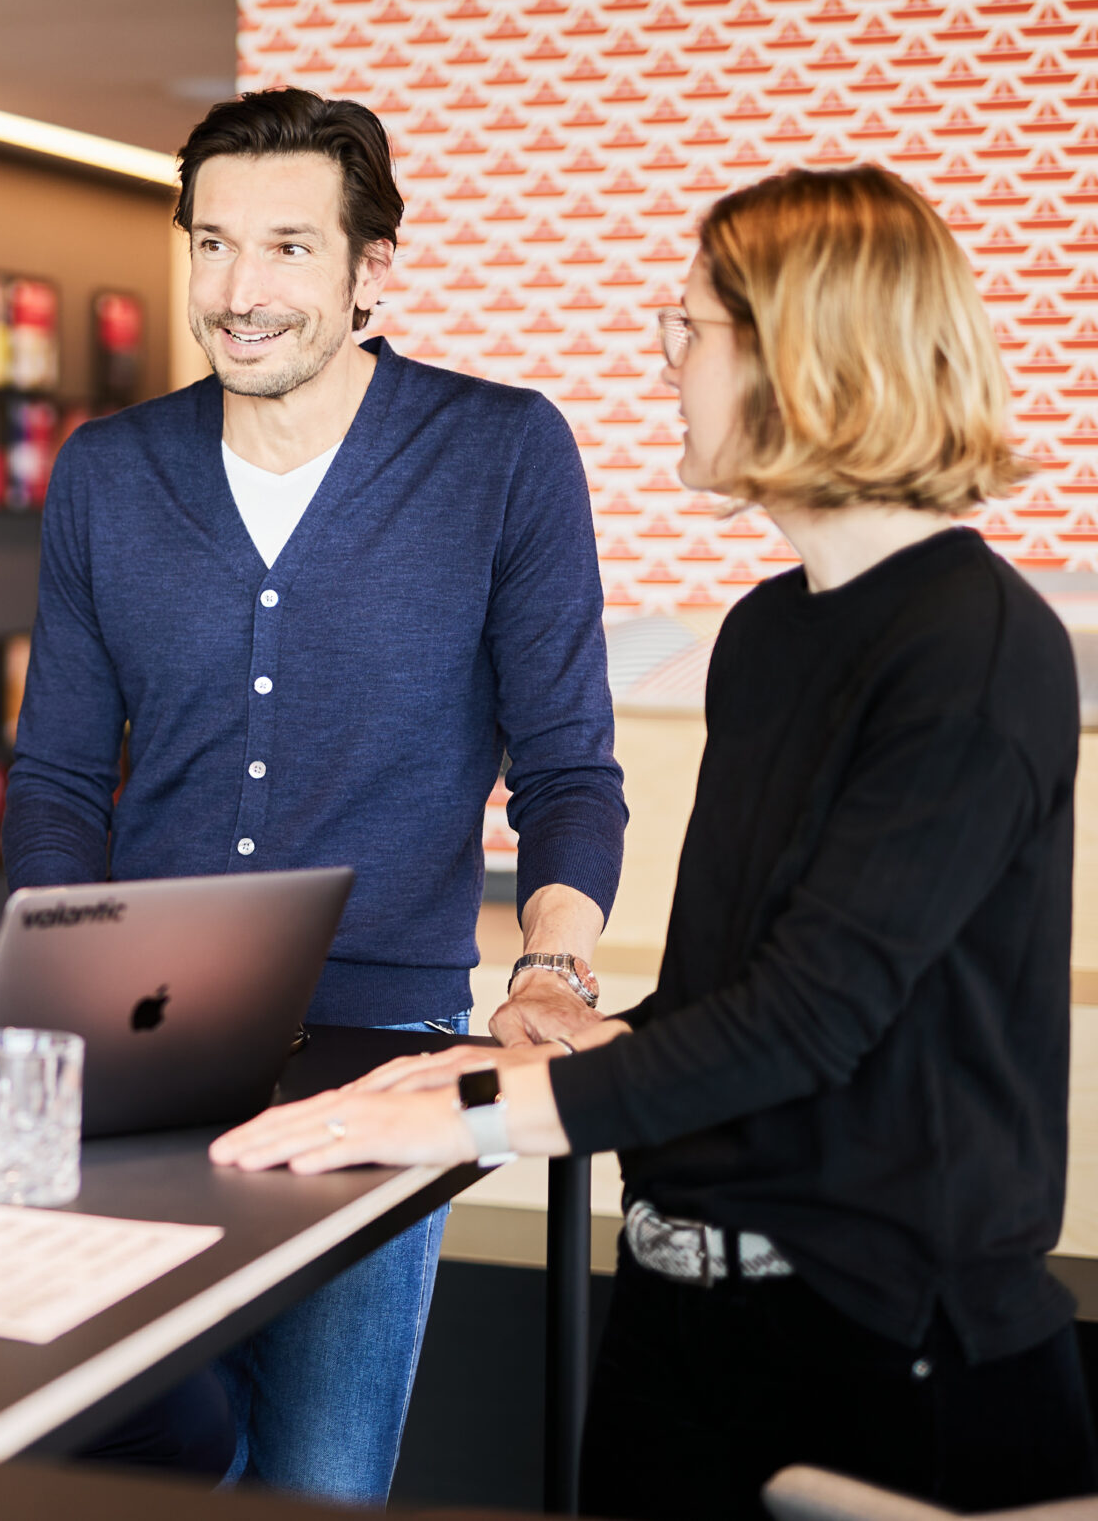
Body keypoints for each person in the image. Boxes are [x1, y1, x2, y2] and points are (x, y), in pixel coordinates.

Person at [212, 164, 1098, 1518]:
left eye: (690, 325)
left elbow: (812, 1023)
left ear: (800, 351)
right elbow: (737, 1001)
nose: (664, 355)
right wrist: (566, 1034)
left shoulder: (973, 653)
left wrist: (469, 1108)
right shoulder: (769, 629)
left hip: (889, 1352)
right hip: (680, 1319)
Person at [3, 87, 627, 1500]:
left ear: (370, 272)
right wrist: (46, 963)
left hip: (382, 1042)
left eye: (288, 246)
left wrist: (548, 953)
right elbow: (54, 772)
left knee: (325, 1475)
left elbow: (571, 763)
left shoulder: (499, 452)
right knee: (128, 1449)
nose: (240, 290)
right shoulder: (112, 471)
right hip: (137, 1039)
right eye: (212, 244)